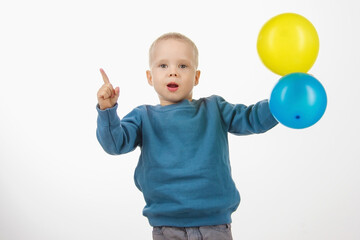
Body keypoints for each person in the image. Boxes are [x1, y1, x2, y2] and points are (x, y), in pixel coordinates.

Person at [96, 32, 278, 240]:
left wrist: (279, 104)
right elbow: (114, 143)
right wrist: (107, 110)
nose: (173, 73)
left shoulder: (214, 108)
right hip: (167, 226)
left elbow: (251, 119)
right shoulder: (143, 116)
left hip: (215, 224)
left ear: (196, 77)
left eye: (183, 66)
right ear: (150, 77)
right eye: (163, 66)